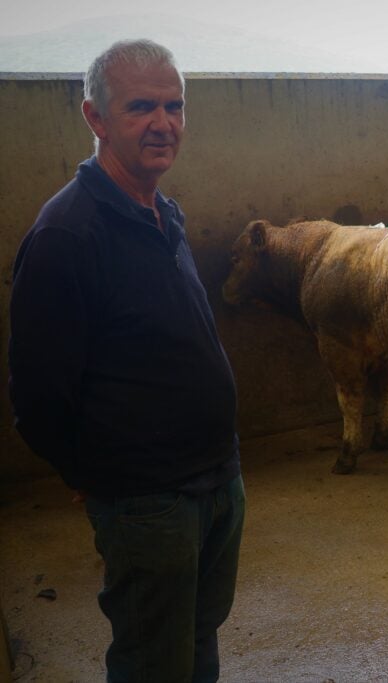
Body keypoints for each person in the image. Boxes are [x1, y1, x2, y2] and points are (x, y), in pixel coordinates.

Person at [8, 40, 244, 682]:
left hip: (218, 479)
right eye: (141, 107)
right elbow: (37, 397)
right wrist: (89, 472)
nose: (163, 124)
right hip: (147, 500)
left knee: (196, 639)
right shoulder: (67, 234)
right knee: (152, 660)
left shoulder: (163, 210)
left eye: (174, 106)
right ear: (96, 118)